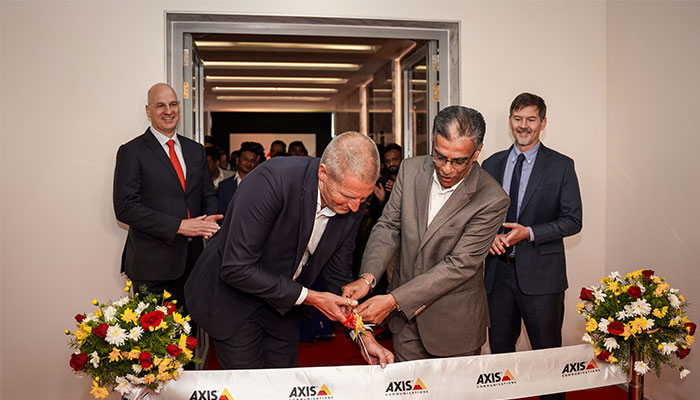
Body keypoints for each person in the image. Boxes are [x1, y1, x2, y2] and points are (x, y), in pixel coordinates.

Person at [185, 131, 394, 369]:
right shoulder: (272, 180)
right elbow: (236, 267)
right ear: (323, 173)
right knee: (248, 388)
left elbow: (338, 277)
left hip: (284, 306)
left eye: (362, 198)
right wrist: (312, 297)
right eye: (347, 196)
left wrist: (363, 336)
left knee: (283, 384)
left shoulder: (352, 200)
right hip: (233, 302)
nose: (355, 206)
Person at [343, 106, 510, 361]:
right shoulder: (410, 171)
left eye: (458, 161)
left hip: (454, 326)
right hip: (404, 325)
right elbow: (389, 226)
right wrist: (368, 278)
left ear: (477, 152)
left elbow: (460, 265)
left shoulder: (492, 198)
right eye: (439, 156)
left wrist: (393, 300)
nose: (446, 169)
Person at [482, 93, 582, 400]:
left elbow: (573, 220)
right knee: (501, 355)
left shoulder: (561, 166)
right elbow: (479, 216)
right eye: (517, 119)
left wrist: (530, 232)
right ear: (510, 121)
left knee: (547, 358)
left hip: (542, 278)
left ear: (543, 123)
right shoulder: (491, 163)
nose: (523, 126)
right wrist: (491, 237)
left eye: (531, 119)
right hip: (498, 277)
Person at [113, 82, 222, 307]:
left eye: (173, 104)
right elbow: (125, 207)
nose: (168, 111)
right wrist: (179, 226)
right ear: (148, 110)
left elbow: (208, 194)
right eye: (160, 105)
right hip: (152, 266)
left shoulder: (195, 150)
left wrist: (210, 219)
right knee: (158, 340)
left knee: (189, 335)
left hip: (193, 263)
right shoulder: (132, 152)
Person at [217, 144, 260, 215]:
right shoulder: (224, 185)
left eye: (252, 161)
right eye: (245, 159)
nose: (249, 163)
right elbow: (221, 213)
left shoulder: (261, 185)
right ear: (237, 160)